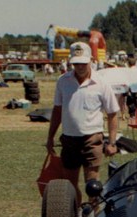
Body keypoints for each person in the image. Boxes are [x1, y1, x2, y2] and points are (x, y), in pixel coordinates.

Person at [46, 42, 120, 206]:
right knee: (69, 185)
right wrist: (50, 137)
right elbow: (57, 110)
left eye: (83, 63)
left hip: (92, 138)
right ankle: (74, 216)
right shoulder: (63, 81)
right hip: (69, 139)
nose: (79, 67)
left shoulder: (101, 83)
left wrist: (112, 142)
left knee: (92, 184)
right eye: (76, 63)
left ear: (91, 61)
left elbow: (113, 113)